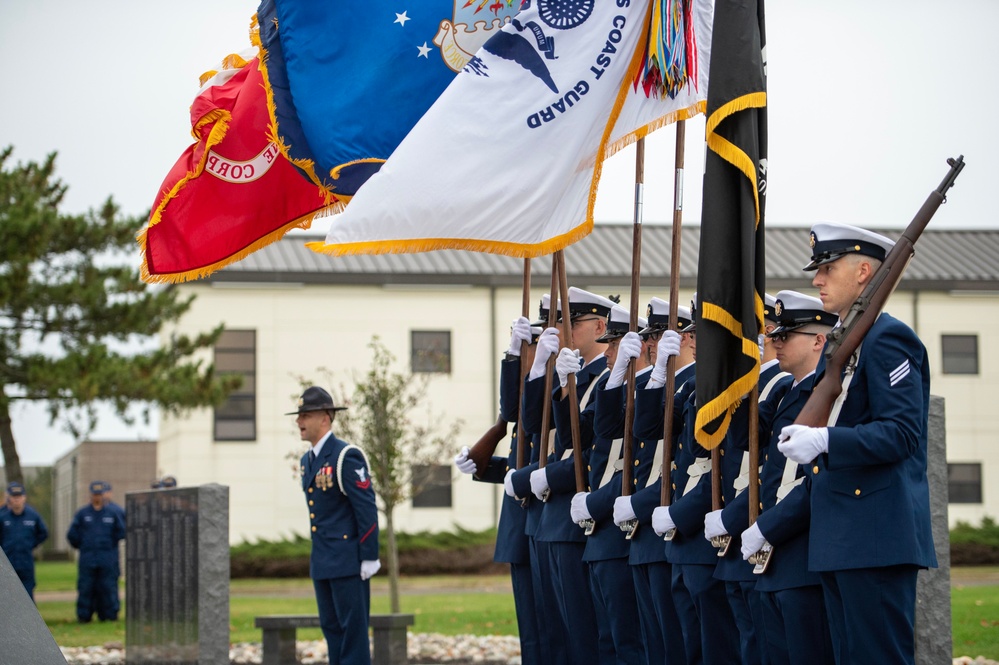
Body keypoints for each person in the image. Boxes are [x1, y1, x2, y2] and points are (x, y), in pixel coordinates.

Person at [777, 222, 937, 665]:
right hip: (843, 536)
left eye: (828, 268)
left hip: (875, 535)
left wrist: (826, 439)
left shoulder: (888, 338)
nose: (817, 280)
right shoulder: (847, 342)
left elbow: (902, 433)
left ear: (864, 272)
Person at [454, 316, 543, 665]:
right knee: (532, 634)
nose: (522, 356)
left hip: (544, 522)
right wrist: (486, 465)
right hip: (522, 525)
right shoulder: (528, 404)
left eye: (526, 348)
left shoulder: (553, 393)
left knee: (554, 630)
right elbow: (521, 458)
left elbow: (548, 461)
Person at [612, 297, 691, 665]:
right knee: (654, 645)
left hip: (672, 522)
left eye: (660, 334)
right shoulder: (660, 384)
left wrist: (643, 505)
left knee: (673, 646)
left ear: (688, 337)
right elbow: (643, 431)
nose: (652, 343)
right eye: (652, 335)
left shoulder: (696, 385)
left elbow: (688, 465)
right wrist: (656, 376)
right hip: (646, 532)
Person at [289, 386, 380, 665]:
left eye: (305, 415)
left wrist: (369, 555)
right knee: (332, 632)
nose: (299, 421)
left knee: (353, 636)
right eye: (299, 415)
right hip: (323, 561)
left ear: (325, 418)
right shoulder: (307, 461)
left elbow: (365, 508)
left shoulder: (345, 456)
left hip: (348, 561)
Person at [67, 480, 126, 622]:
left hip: (107, 558)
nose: (97, 497)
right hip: (88, 558)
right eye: (95, 494)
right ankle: (84, 616)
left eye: (99, 494)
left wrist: (110, 546)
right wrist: (83, 546)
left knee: (108, 587)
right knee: (86, 587)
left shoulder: (112, 513)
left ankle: (109, 615)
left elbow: (121, 532)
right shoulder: (82, 514)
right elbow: (72, 534)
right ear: (91, 495)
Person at [0, 481, 49, 600]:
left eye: (19, 497)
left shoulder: (32, 515)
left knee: (27, 592)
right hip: (7, 561)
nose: (16, 500)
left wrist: (31, 544)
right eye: (13, 497)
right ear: (9, 499)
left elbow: (43, 533)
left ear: (24, 498)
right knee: (7, 593)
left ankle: (29, 618)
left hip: (26, 561)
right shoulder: (3, 517)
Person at [101, 481, 126, 617]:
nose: (103, 495)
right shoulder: (89, 511)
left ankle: (112, 610)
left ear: (110, 493)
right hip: (94, 555)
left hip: (112, 553)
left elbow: (122, 531)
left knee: (111, 584)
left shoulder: (117, 510)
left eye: (105, 492)